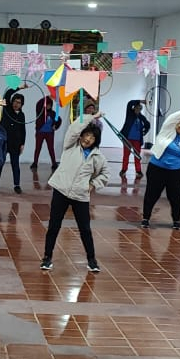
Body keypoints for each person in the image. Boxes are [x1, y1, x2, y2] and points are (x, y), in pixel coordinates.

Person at [39, 112, 109, 273]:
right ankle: (47, 258)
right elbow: (73, 129)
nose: (87, 139)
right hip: (61, 191)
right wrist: (92, 117)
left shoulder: (98, 157)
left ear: (96, 141)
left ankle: (92, 260)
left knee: (85, 228)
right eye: (86, 135)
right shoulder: (70, 146)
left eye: (92, 137)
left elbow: (105, 174)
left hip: (81, 196)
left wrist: (93, 185)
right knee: (54, 226)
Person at [139, 108, 180, 229]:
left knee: (176, 197)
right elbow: (175, 115)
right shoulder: (166, 131)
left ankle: (176, 220)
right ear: (176, 123)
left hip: (176, 173)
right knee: (152, 194)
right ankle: (145, 218)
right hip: (157, 169)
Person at [0, 87, 27, 193]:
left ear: (21, 104)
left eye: (19, 102)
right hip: (4, 142)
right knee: (0, 163)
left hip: (15, 144)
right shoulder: (7, 109)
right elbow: (8, 93)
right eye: (15, 101)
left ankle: (17, 185)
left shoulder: (21, 115)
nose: (16, 104)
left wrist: (22, 144)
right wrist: (20, 87)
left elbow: (23, 130)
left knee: (15, 165)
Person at [119, 99, 151, 179]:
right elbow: (130, 103)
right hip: (127, 139)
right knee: (126, 155)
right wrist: (141, 101)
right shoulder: (130, 114)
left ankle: (138, 171)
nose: (138, 110)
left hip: (137, 140)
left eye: (140, 109)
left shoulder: (141, 117)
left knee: (137, 156)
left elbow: (148, 124)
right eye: (137, 108)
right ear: (134, 108)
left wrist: (144, 131)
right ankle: (124, 170)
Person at [30, 96, 62, 171]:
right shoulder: (40, 112)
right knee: (38, 148)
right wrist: (47, 97)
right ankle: (35, 163)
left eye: (50, 105)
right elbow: (38, 104)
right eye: (47, 104)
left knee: (51, 148)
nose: (48, 106)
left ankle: (54, 163)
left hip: (50, 133)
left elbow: (59, 120)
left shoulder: (53, 113)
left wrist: (56, 126)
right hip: (40, 133)